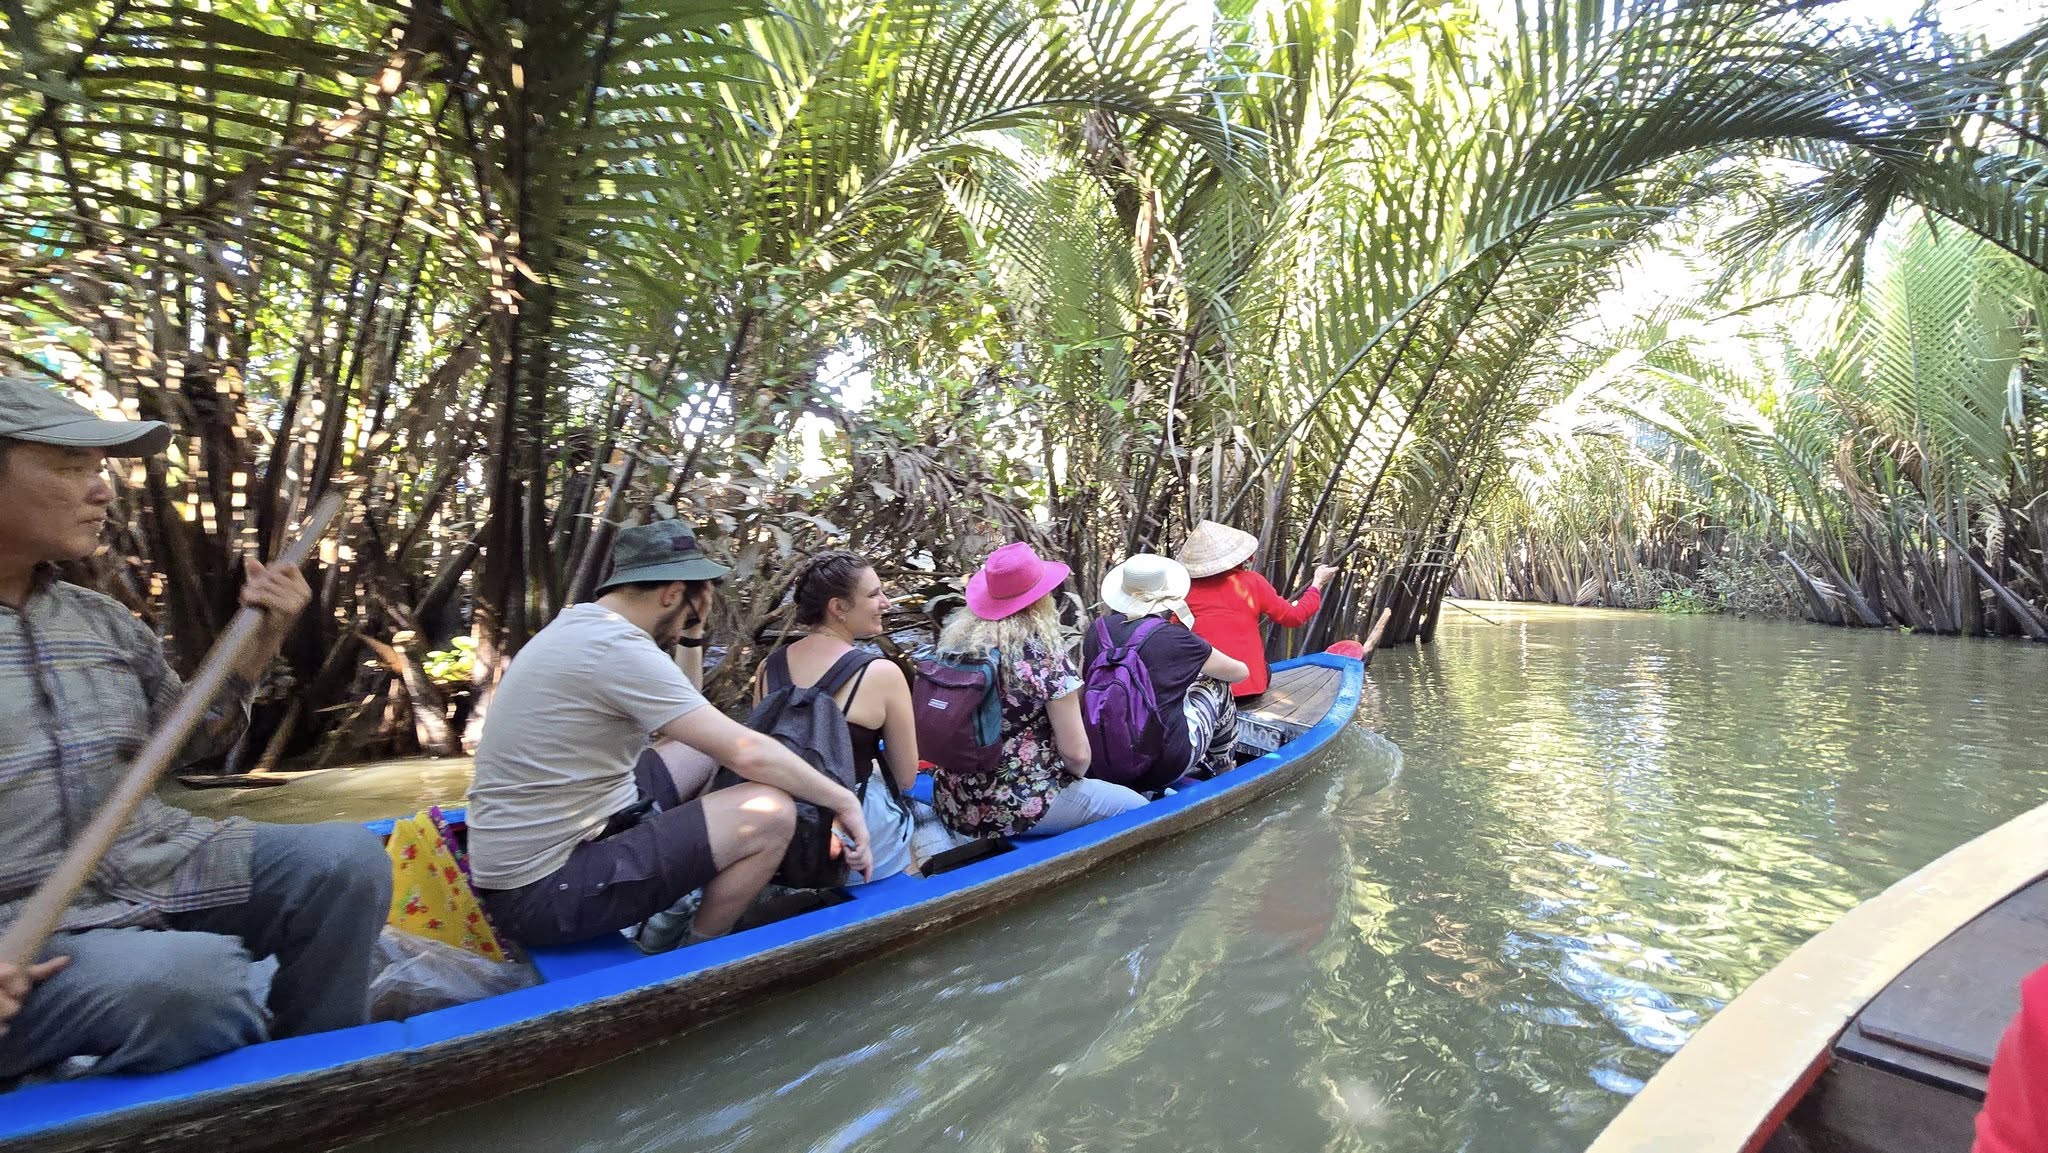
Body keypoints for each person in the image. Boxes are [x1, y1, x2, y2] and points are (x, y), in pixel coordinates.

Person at [0, 376, 390, 1078]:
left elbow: (192, 745)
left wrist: (263, 638)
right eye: (70, 468)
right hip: (18, 924)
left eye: (100, 470)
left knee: (345, 862)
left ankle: (314, 1080)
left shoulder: (101, 621)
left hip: (146, 864)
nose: (104, 491)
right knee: (199, 983)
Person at [465, 519, 873, 951]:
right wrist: (841, 799)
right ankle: (695, 950)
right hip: (541, 893)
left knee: (695, 748)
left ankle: (700, 862)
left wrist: (690, 632)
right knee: (771, 812)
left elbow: (689, 716)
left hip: (548, 849)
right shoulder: (617, 650)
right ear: (672, 593)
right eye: (694, 602)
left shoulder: (585, 624)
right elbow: (746, 754)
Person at [925, 542, 1146, 838]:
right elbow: (1077, 758)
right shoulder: (1043, 658)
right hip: (1016, 806)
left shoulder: (953, 648)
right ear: (1040, 600)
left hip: (953, 799)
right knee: (1140, 809)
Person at [752, 551, 919, 882]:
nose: (886, 603)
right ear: (838, 607)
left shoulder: (767, 668)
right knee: (910, 834)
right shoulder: (882, 673)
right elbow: (905, 779)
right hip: (852, 825)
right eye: (874, 594)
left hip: (782, 818)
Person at [1084, 554, 1249, 793]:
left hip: (1101, 762)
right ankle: (1224, 770)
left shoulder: (1096, 630)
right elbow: (1239, 673)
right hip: (1163, 766)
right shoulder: (1175, 637)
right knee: (1216, 684)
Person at [1177, 520, 1339, 699]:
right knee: (1265, 668)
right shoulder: (1252, 582)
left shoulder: (1184, 590)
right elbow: (1295, 616)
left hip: (1203, 691)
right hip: (1248, 688)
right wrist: (1317, 583)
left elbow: (1174, 635)